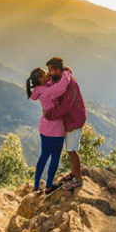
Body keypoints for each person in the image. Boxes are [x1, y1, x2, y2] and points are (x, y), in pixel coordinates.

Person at [26, 66, 71, 194]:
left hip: (44, 127)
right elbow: (61, 87)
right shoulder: (48, 92)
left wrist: (56, 73)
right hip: (55, 128)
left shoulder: (39, 90)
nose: (47, 75)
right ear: (40, 79)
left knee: (44, 155)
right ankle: (49, 185)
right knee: (55, 157)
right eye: (45, 74)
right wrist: (66, 74)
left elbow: (51, 83)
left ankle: (36, 184)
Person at [44, 57, 86, 191]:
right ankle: (74, 172)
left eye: (50, 70)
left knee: (72, 149)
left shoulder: (69, 83)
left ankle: (78, 179)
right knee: (70, 148)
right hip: (71, 119)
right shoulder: (63, 78)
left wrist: (51, 115)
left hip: (74, 119)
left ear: (58, 69)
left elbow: (66, 106)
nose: (49, 73)